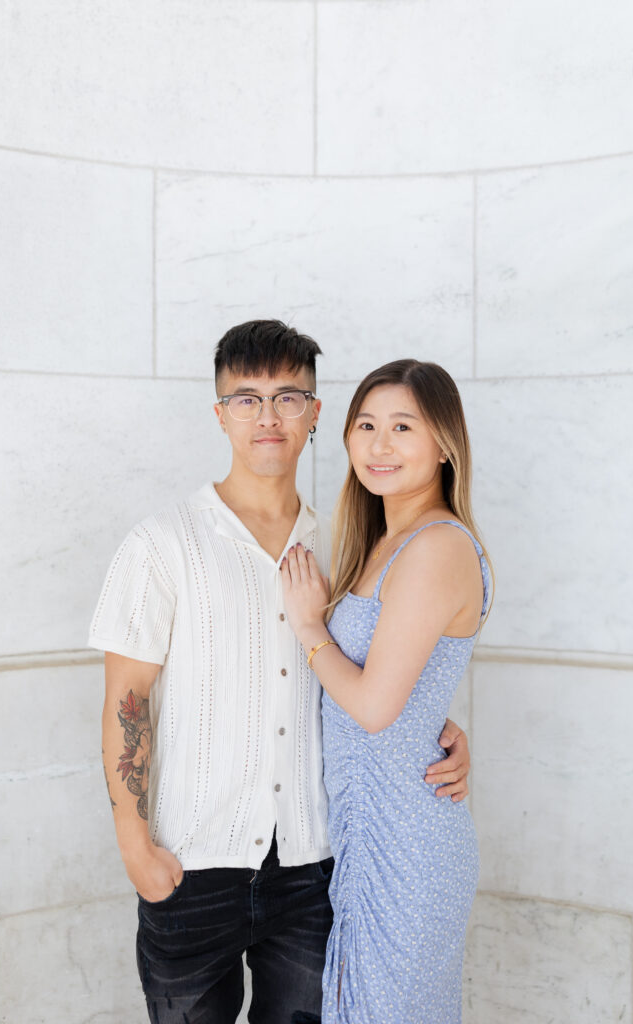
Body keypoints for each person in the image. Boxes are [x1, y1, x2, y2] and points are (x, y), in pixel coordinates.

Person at [89, 322, 472, 1024]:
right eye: (246, 399)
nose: (268, 417)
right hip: (191, 863)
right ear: (220, 414)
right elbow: (128, 698)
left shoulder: (348, 544)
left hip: (314, 867)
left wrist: (437, 726)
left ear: (316, 414)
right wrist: (133, 845)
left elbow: (377, 668)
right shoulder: (161, 543)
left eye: (289, 397)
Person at [280, 358, 491, 1024]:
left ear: (442, 445)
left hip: (407, 845)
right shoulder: (382, 540)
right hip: (366, 836)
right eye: (365, 424)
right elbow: (401, 680)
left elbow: (372, 707)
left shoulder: (434, 546)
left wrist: (310, 628)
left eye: (403, 426)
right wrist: (440, 721)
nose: (379, 444)